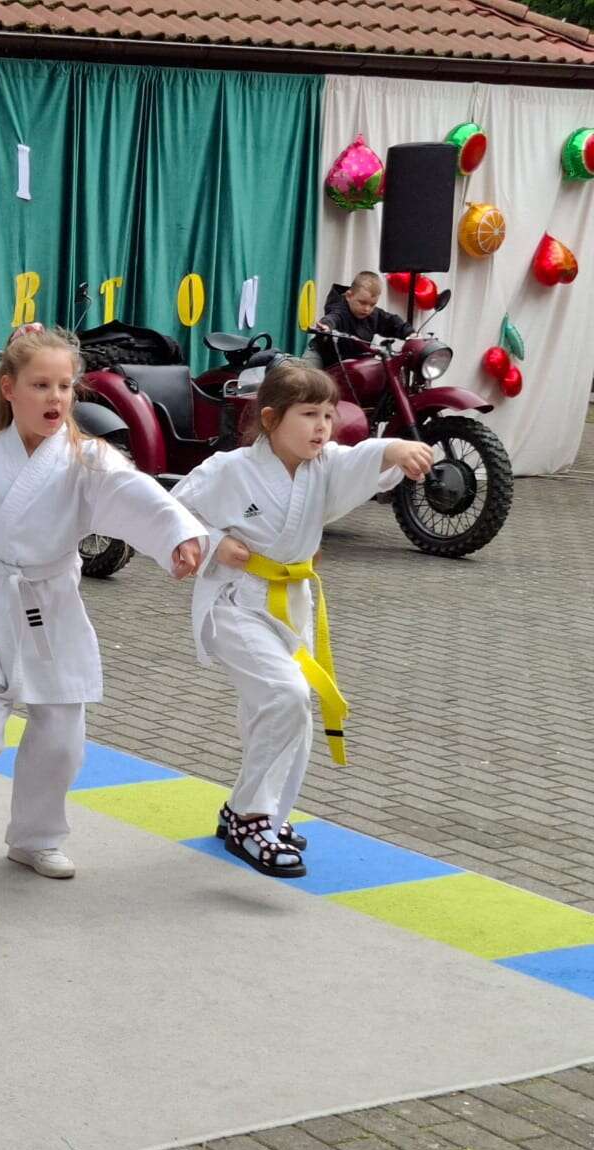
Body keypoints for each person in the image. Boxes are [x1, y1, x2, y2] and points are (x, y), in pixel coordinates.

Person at [0, 325, 206, 875]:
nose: (55, 398)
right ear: (9, 388)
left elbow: (137, 495)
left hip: (52, 600)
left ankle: (34, 836)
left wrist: (177, 535)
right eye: (41, 385)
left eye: (65, 386)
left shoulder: (88, 457)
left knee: (62, 733)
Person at [171, 361, 432, 877]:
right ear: (270, 419)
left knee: (286, 709)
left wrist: (395, 449)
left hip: (292, 602)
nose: (323, 427)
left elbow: (361, 457)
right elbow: (172, 511)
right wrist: (214, 542)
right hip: (234, 601)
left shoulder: (324, 466)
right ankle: (249, 816)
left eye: (329, 415)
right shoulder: (230, 469)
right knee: (285, 694)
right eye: (309, 414)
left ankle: (262, 812)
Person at [311, 271, 414, 364]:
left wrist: (411, 334)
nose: (367, 309)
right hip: (322, 355)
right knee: (309, 374)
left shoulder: (374, 315)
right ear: (349, 296)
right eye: (362, 302)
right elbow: (333, 317)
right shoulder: (340, 309)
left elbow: (392, 321)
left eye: (372, 304)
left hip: (353, 362)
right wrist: (326, 326)